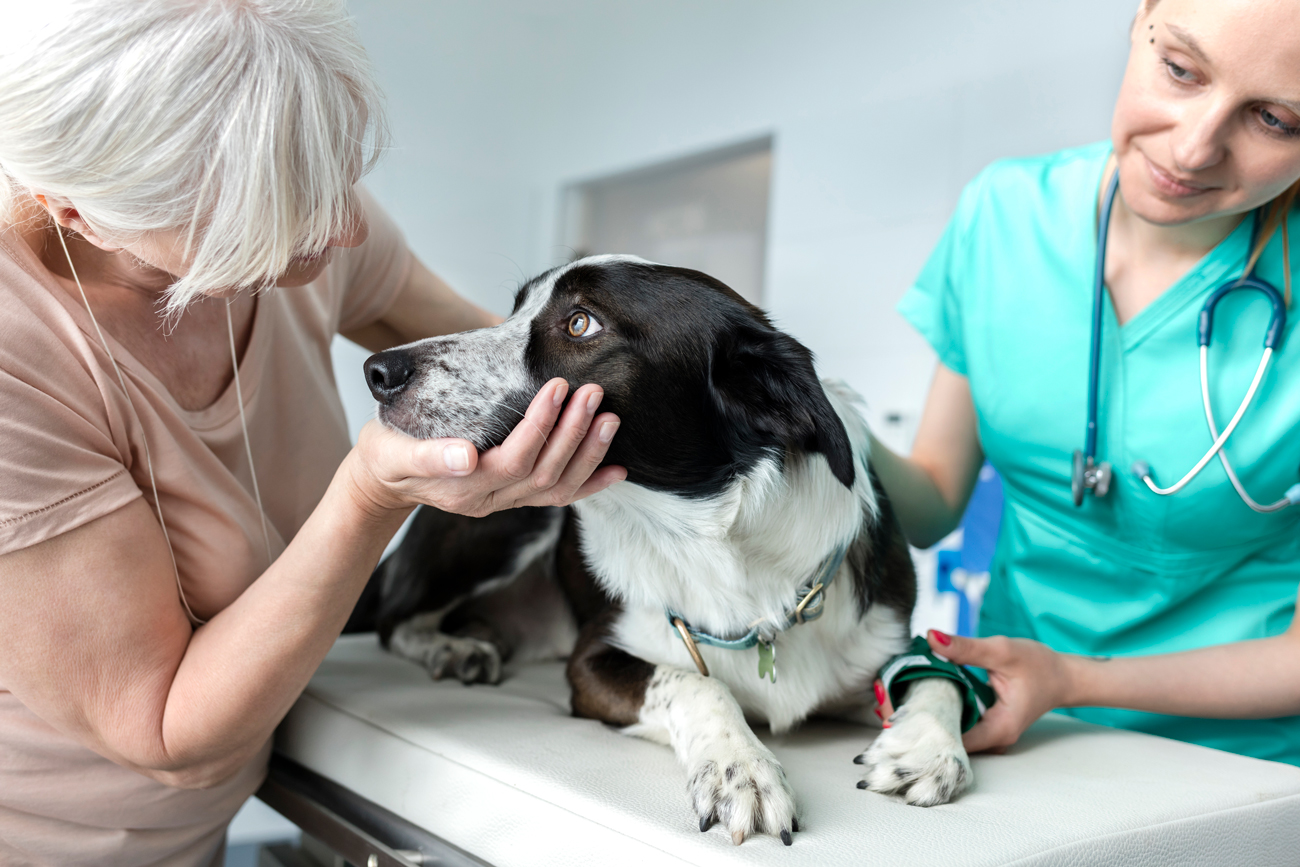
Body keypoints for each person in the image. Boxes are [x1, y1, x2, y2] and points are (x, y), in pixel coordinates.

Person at [0, 2, 625, 865]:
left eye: (338, 178)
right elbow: (164, 729)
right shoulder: (16, 355)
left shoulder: (304, 202)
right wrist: (371, 494)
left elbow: (518, 371)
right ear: (77, 214)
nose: (348, 230)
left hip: (204, 830)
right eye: (276, 217)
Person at [871, 0, 1300, 763]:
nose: (1195, 148)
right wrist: (816, 419)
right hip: (1007, 732)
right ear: (1143, 17)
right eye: (1180, 70)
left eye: (1275, 120)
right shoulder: (1003, 214)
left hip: (1239, 770)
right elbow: (933, 500)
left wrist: (1070, 677)